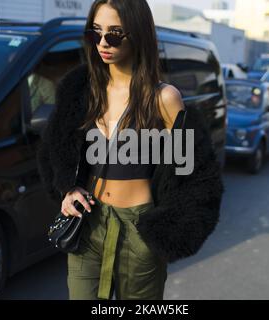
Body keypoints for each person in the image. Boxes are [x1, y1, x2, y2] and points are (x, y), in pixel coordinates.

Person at [36, 0, 224, 300]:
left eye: (114, 34)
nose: (102, 43)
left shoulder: (164, 99)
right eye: (95, 33)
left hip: (140, 228)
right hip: (89, 222)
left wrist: (165, 230)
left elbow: (195, 176)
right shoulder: (81, 88)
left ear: (138, 34)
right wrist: (67, 189)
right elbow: (56, 146)